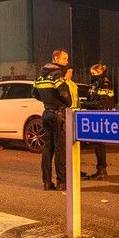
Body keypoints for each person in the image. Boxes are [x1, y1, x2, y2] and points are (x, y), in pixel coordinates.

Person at [32, 49, 72, 191]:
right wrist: (66, 102)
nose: (67, 61)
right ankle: (62, 182)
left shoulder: (41, 75)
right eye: (64, 58)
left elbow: (34, 93)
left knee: (47, 149)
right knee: (60, 150)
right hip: (58, 115)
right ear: (56, 58)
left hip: (46, 113)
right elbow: (65, 95)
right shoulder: (57, 74)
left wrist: (47, 100)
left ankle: (47, 182)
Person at [81, 63, 114, 179]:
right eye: (91, 73)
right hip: (94, 116)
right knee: (96, 144)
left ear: (100, 73)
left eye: (94, 73)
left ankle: (101, 171)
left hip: (101, 116)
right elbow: (90, 98)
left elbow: (102, 103)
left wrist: (85, 104)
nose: (92, 75)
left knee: (99, 145)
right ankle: (100, 170)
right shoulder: (94, 83)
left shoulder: (105, 84)